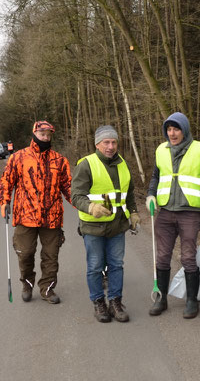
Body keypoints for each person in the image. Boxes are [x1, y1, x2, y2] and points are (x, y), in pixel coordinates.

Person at [146, 112, 200, 319]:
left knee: (188, 256)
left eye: (176, 129)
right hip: (165, 212)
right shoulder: (161, 150)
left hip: (189, 213)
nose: (172, 133)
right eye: (169, 129)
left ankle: (191, 300)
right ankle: (161, 298)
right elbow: (156, 176)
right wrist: (151, 194)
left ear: (184, 130)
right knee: (162, 256)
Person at [0, 120, 71, 304]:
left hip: (52, 217)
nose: (45, 137)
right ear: (34, 134)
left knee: (51, 255)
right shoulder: (18, 157)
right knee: (25, 253)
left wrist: (86, 205)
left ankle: (47, 289)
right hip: (25, 216)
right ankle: (27, 284)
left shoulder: (60, 160)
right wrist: (4, 201)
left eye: (48, 135)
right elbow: (7, 181)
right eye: (42, 134)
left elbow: (69, 188)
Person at [72, 125, 139, 323]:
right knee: (95, 266)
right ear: (97, 144)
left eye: (113, 142)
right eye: (106, 142)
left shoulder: (123, 164)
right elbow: (76, 195)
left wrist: (133, 213)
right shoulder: (86, 164)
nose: (110, 146)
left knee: (116, 265)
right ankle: (98, 302)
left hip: (117, 226)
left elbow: (130, 193)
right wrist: (91, 207)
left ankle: (115, 302)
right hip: (93, 227)